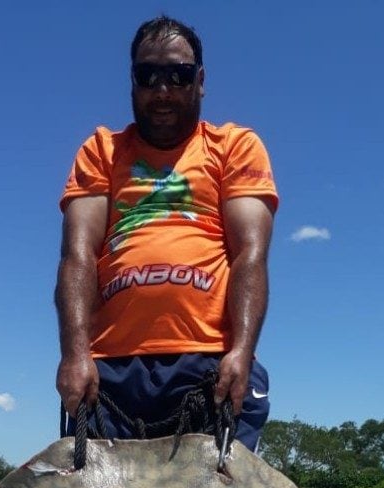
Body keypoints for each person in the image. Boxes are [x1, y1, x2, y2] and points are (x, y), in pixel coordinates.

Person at [55, 15, 278, 452]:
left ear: (200, 80)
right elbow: (77, 255)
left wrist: (242, 351)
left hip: (208, 361)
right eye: (148, 75)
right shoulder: (101, 150)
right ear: (132, 80)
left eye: (178, 75)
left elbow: (250, 254)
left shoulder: (234, 146)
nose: (162, 90)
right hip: (109, 368)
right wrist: (74, 353)